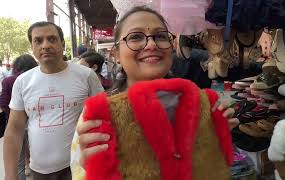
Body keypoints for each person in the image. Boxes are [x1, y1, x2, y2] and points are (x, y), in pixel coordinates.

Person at [70, 6, 239, 179]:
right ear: (116, 54)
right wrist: (90, 169)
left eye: (160, 36)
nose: (151, 44)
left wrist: (215, 138)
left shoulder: (201, 104)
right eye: (135, 37)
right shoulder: (100, 116)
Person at [3, 21, 104, 180]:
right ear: (32, 46)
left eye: (52, 39)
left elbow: (104, 118)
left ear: (62, 44)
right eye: (38, 40)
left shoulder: (86, 76)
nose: (45, 45)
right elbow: (14, 130)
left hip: (80, 167)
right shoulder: (23, 82)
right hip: (40, 172)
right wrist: (10, 176)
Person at [0, 54, 38, 180]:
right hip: (35, 124)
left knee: (19, 161)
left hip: (15, 125)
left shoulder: (8, 81)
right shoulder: (36, 80)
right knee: (36, 157)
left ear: (16, 66)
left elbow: (4, 104)